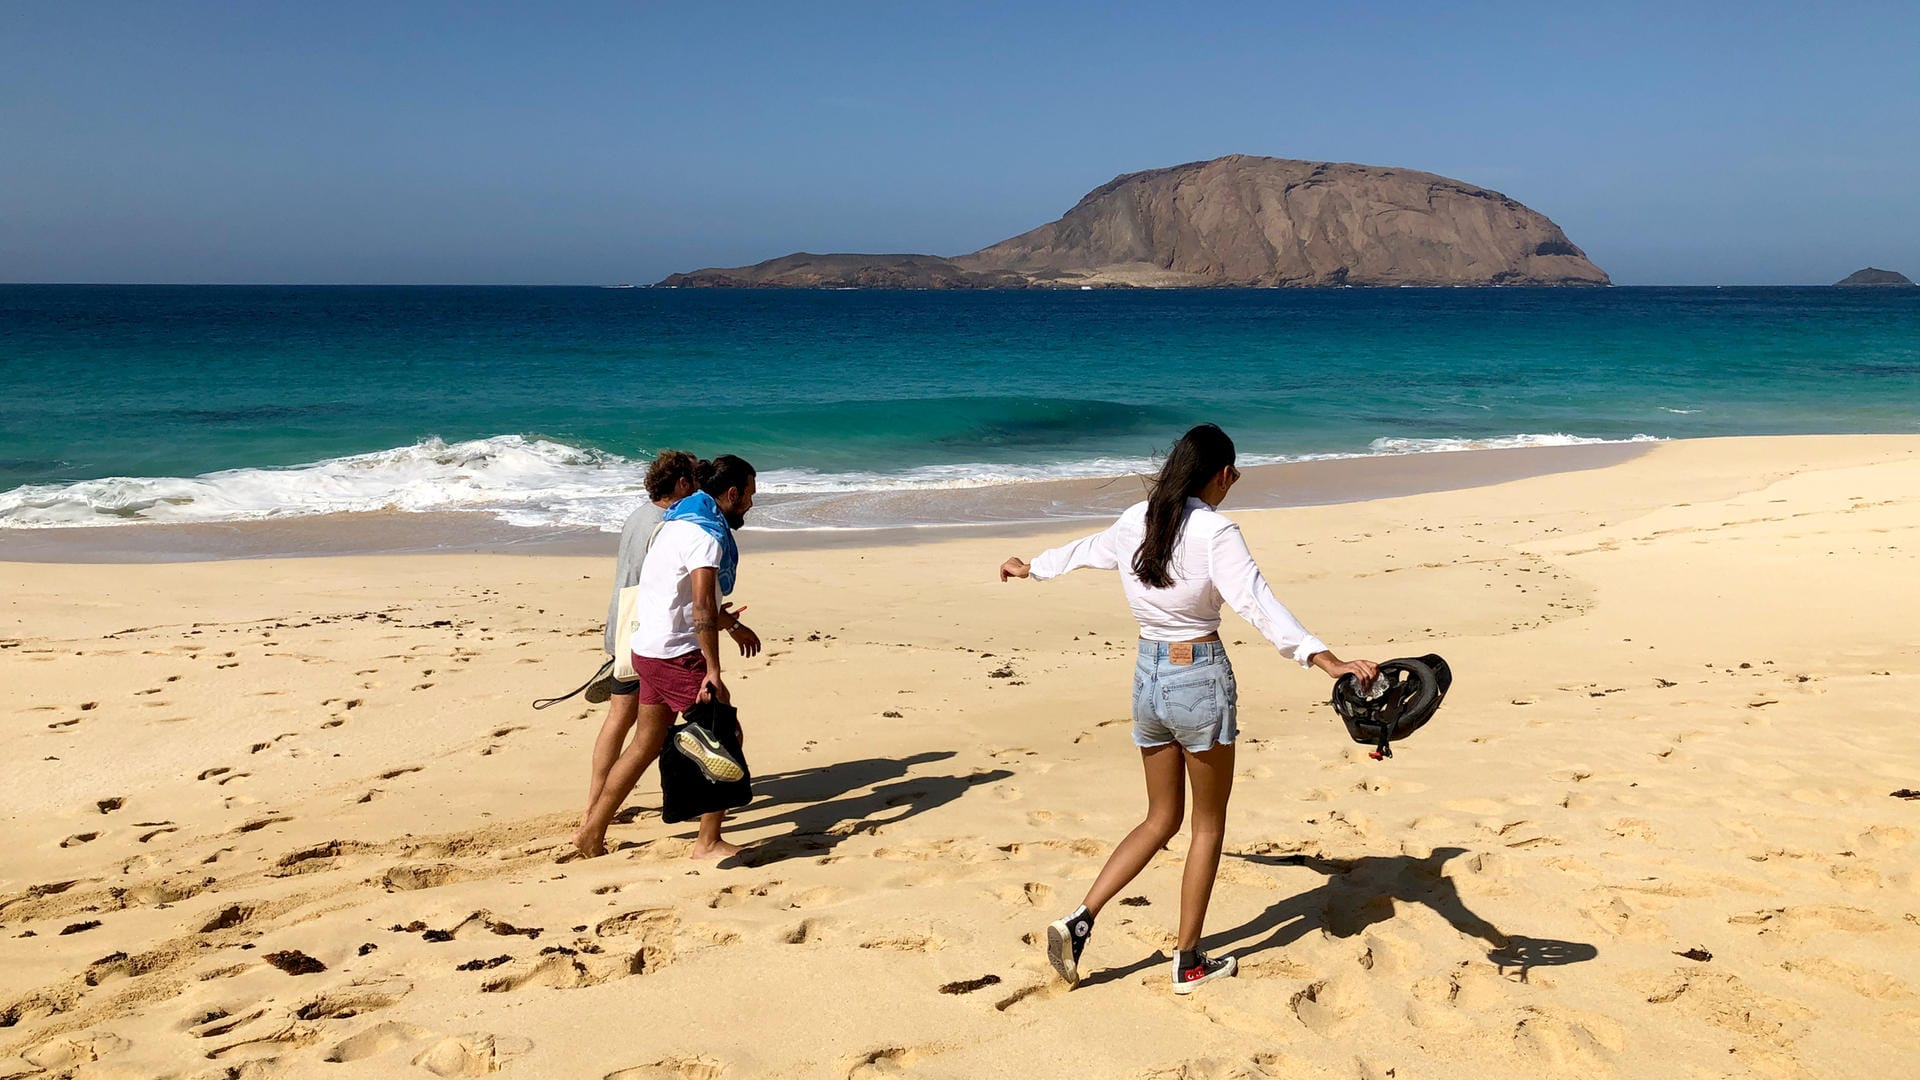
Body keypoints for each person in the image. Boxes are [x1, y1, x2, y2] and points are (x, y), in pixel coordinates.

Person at [998, 424, 1377, 995]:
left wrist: (1034, 567)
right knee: (1207, 823)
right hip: (1198, 677)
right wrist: (1328, 662)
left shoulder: (1138, 519)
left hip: (1148, 677)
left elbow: (1086, 551)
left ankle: (1080, 919)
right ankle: (1189, 960)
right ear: (1221, 473)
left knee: (1158, 818)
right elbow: (1258, 603)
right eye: (1235, 472)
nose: (1236, 482)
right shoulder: (1216, 530)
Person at [574, 455, 761, 860]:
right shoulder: (705, 537)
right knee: (725, 736)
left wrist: (731, 626)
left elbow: (676, 595)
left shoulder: (675, 522)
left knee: (645, 743)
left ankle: (592, 832)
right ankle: (707, 842)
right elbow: (700, 608)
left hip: (647, 649)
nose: (749, 503)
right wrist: (712, 668)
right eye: (748, 495)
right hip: (677, 654)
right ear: (731, 493)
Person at [579, 450, 699, 831]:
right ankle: (666, 800)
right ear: (681, 483)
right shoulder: (668, 524)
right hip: (646, 631)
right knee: (653, 727)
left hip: (620, 623)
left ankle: (594, 803)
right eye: (694, 480)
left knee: (619, 718)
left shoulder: (635, 515)